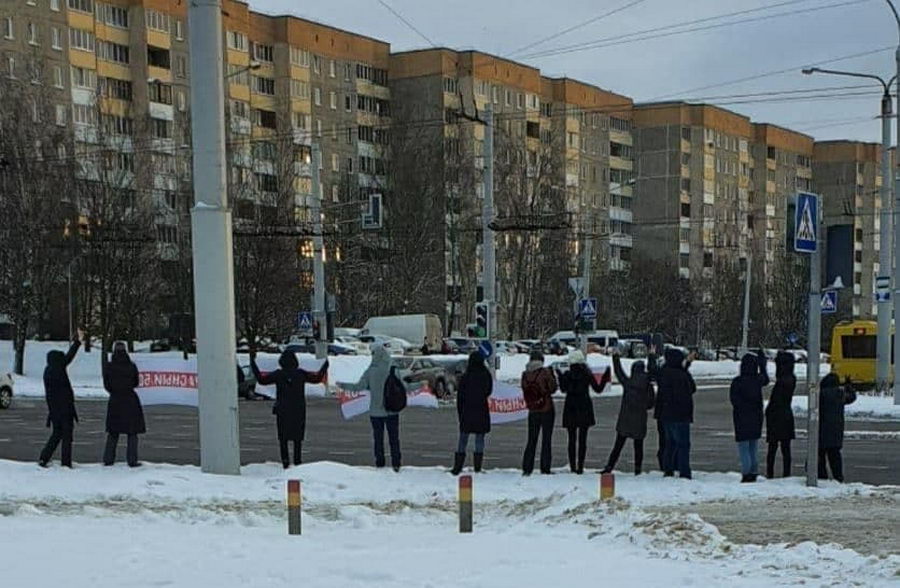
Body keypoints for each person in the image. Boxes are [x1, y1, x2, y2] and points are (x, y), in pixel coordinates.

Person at [341, 343, 419, 472]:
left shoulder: (371, 371)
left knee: (378, 439)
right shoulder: (393, 370)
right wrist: (422, 384)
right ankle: (396, 463)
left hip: (376, 413)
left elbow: (359, 387)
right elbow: (405, 387)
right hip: (392, 411)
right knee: (394, 438)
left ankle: (380, 463)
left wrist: (343, 385)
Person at [251, 350, 328, 469]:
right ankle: (297, 462)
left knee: (283, 438)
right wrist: (324, 366)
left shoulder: (278, 374)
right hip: (298, 409)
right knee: (297, 439)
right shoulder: (300, 374)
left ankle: (285, 463)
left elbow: (262, 380)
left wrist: (253, 365)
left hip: (283, 409)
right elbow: (316, 379)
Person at [602, 352, 656, 475]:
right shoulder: (648, 386)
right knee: (638, 447)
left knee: (618, 446)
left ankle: (609, 466)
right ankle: (637, 469)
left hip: (625, 420)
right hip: (640, 420)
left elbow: (618, 371)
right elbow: (650, 404)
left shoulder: (628, 383)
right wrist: (652, 356)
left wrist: (615, 357)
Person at [39, 333, 82, 468]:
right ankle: (66, 462)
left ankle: (44, 457)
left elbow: (67, 358)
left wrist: (77, 342)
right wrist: (77, 342)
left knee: (57, 434)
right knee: (67, 436)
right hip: (65, 409)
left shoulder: (48, 371)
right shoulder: (58, 369)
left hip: (54, 410)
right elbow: (69, 357)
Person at [101, 342, 146, 467]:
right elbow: (136, 382)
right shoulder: (131, 366)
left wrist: (114, 391)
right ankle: (132, 460)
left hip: (115, 400)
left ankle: (108, 459)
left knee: (113, 431)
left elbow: (107, 384)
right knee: (132, 432)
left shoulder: (109, 367)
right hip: (130, 400)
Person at [556, 350, 601, 474]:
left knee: (571, 439)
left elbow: (564, 389)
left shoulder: (568, 375)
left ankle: (572, 466)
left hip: (571, 407)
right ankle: (580, 466)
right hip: (584, 407)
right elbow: (597, 388)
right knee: (583, 439)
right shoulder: (587, 374)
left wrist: (559, 375)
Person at [729, 351, 769, 483]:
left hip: (741, 417)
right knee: (753, 446)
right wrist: (763, 364)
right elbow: (766, 379)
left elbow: (734, 400)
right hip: (756, 417)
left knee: (744, 447)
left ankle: (746, 473)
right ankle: (753, 471)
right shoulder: (757, 380)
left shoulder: (737, 382)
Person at [656, 348, 696, 479]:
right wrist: (686, 367)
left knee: (670, 443)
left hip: (666, 413)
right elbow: (692, 388)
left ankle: (668, 469)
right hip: (681, 415)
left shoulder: (663, 373)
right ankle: (684, 471)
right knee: (683, 444)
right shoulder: (682, 375)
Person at [451, 351, 493, 475]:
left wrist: (460, 413)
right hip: (481, 410)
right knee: (479, 439)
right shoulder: (486, 375)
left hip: (467, 411)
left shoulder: (466, 376)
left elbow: (460, 397)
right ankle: (478, 467)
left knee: (463, 439)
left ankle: (457, 467)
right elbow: (488, 391)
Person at [521, 350, 557, 475]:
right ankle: (545, 467)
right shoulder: (545, 372)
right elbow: (552, 388)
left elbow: (525, 390)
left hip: (532, 410)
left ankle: (527, 467)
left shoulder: (525, 374)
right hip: (546, 409)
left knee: (531, 439)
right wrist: (553, 375)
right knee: (546, 440)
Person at [818, 373, 857, 482]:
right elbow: (851, 397)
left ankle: (822, 477)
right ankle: (838, 477)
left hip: (822, 429)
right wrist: (849, 386)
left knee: (820, 455)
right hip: (836, 431)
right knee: (834, 456)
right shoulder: (840, 394)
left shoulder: (821, 394)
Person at [765, 351, 796, 478]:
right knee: (785, 448)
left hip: (776, 417)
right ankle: (786, 473)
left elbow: (775, 401)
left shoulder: (782, 381)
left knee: (773, 448)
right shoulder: (791, 378)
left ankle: (770, 473)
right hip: (786, 416)